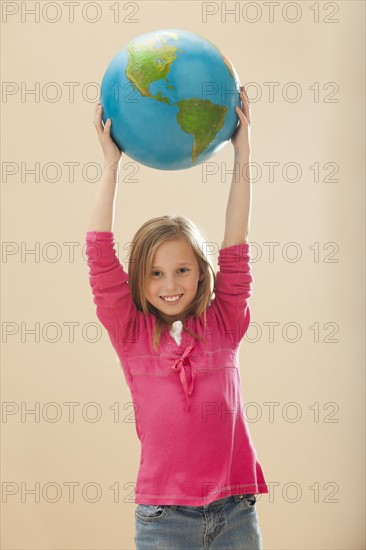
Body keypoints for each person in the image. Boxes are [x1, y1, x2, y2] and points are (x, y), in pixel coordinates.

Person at [86, 85, 269, 550]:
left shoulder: (223, 323)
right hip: (165, 520)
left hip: (235, 512)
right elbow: (99, 255)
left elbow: (236, 245)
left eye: (182, 270)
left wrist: (241, 154)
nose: (170, 284)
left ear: (200, 272)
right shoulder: (132, 333)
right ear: (139, 281)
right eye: (156, 274)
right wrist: (111, 167)